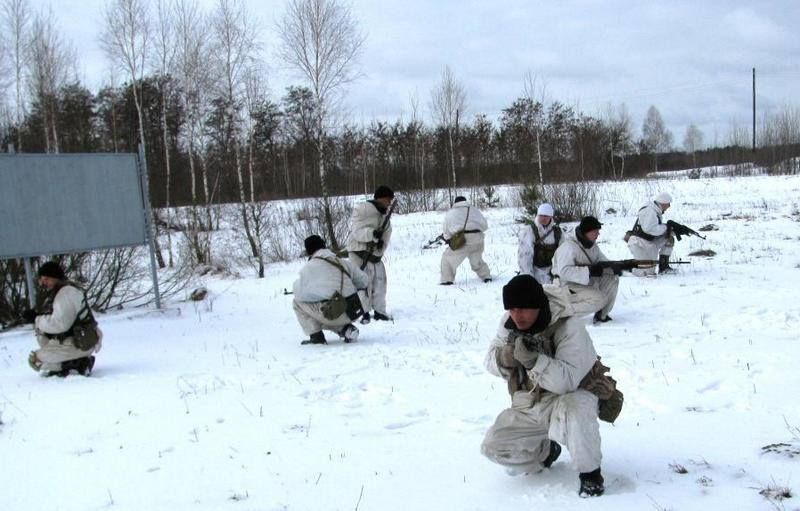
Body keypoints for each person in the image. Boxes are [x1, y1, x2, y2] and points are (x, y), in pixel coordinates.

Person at [481, 275, 607, 497]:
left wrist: (534, 361)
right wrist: (505, 358)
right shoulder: (509, 322)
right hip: (529, 400)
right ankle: (546, 452)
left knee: (576, 411)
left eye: (522, 309)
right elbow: (489, 361)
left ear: (538, 305)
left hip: (571, 395)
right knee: (493, 446)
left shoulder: (568, 325)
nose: (516, 315)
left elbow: (567, 381)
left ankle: (590, 475)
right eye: (511, 309)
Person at [25, 261, 102, 377]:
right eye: (42, 279)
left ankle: (78, 364)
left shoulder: (66, 293)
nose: (43, 283)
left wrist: (37, 319)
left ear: (55, 277)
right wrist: (39, 317)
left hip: (80, 342)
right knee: (40, 339)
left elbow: (60, 324)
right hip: (77, 340)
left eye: (46, 279)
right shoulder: (63, 291)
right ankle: (73, 361)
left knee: (36, 359)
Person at [292, 235, 369, 345]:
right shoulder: (341, 261)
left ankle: (316, 337)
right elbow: (364, 281)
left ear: (309, 251)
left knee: (297, 303)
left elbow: (299, 293)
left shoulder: (309, 268)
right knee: (324, 308)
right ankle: (346, 329)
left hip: (335, 313)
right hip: (354, 311)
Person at [551, 216, 619, 323]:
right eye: (595, 231)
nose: (598, 234)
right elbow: (564, 272)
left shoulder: (592, 245)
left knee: (612, 277)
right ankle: (562, 313)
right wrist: (590, 271)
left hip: (582, 282)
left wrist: (615, 267)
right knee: (599, 299)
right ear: (586, 232)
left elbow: (601, 260)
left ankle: (602, 315)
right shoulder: (568, 247)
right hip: (565, 285)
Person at [347, 185, 394, 324]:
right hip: (359, 253)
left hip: (375, 255)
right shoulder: (362, 210)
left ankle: (380, 312)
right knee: (364, 285)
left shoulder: (382, 214)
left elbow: (385, 232)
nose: (389, 204)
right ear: (381, 198)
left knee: (380, 283)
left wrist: (381, 244)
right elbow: (357, 232)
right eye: (388, 200)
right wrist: (372, 234)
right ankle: (364, 313)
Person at [440, 196, 491, 285]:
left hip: (462, 240)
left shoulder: (451, 213)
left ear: (455, 203)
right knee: (476, 259)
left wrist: (448, 239)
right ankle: (486, 276)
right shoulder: (475, 210)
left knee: (447, 259)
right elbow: (485, 225)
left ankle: (447, 280)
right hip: (478, 238)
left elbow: (446, 231)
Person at [626, 192, 675, 276]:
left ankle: (664, 267)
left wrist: (671, 230)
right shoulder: (649, 211)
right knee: (646, 273)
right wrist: (666, 228)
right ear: (663, 203)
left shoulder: (655, 210)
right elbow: (649, 229)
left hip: (649, 242)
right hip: (639, 243)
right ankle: (625, 269)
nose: (669, 206)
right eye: (668, 204)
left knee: (669, 238)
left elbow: (654, 228)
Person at [517, 203, 563, 285]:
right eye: (541, 215)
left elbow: (564, 255)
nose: (543, 218)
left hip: (553, 271)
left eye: (546, 216)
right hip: (536, 271)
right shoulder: (529, 231)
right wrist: (528, 278)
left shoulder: (558, 232)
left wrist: (558, 272)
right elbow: (524, 257)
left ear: (551, 217)